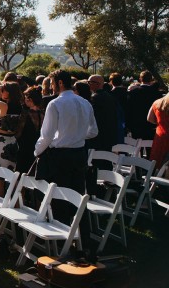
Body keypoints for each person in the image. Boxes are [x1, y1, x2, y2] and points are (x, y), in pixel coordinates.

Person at [34, 70, 98, 251]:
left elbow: (46, 135)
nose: (51, 86)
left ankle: (63, 244)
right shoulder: (85, 102)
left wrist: (37, 151)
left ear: (60, 83)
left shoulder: (55, 104)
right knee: (78, 197)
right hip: (79, 153)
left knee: (60, 198)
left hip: (61, 156)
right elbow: (94, 132)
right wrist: (76, 135)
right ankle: (83, 240)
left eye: (53, 83)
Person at [86, 75, 118, 166]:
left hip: (98, 136)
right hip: (109, 135)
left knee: (97, 163)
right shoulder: (110, 97)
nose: (88, 85)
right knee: (106, 161)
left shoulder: (95, 98)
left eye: (89, 82)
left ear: (97, 84)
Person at [16, 86, 44, 174]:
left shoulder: (25, 114)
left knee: (20, 173)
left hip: (24, 148)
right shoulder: (43, 113)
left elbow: (18, 132)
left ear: (30, 100)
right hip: (37, 147)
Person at [127, 71, 162, 140]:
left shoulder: (133, 93)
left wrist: (129, 125)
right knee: (150, 148)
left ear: (140, 79)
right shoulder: (157, 94)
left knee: (137, 148)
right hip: (152, 125)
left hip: (137, 125)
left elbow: (129, 109)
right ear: (151, 79)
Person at [147, 93, 169, 166]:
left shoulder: (157, 102)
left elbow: (149, 118)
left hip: (160, 133)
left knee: (157, 159)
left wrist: (160, 123)